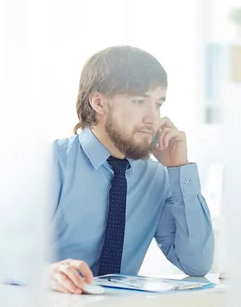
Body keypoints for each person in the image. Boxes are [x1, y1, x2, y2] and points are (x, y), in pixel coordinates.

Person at [48, 46, 214, 294]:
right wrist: (44, 274)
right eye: (139, 101)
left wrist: (179, 168)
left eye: (158, 104)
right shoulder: (51, 164)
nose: (153, 118)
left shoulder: (158, 177)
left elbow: (196, 263)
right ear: (99, 102)